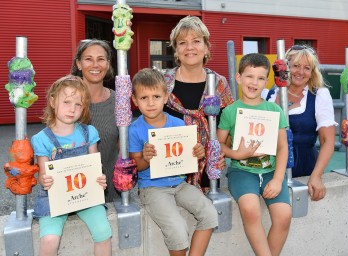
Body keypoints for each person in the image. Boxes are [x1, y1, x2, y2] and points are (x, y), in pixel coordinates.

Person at [129, 68, 218, 256]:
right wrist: (145, 158)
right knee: (177, 229)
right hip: (152, 187)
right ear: (135, 100)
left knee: (210, 215)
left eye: (156, 96)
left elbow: (189, 158)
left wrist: (197, 152)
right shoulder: (134, 130)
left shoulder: (178, 123)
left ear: (166, 97)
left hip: (179, 182)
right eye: (144, 98)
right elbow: (136, 167)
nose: (151, 103)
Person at [217, 53, 292, 256]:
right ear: (239, 78)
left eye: (260, 78)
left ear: (266, 81)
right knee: (250, 209)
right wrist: (236, 153)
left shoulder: (274, 110)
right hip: (242, 171)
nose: (254, 82)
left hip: (270, 171)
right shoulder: (230, 111)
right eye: (249, 76)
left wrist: (277, 179)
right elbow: (218, 145)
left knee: (284, 215)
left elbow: (282, 147)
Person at [31, 75, 112, 256]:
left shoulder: (89, 132)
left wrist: (99, 178)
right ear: (52, 101)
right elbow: (42, 177)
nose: (72, 109)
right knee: (50, 239)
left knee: (103, 232)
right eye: (67, 102)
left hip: (86, 194)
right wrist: (45, 180)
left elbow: (95, 165)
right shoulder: (41, 139)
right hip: (54, 197)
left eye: (78, 104)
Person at [163, 15, 234, 189]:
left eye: (196, 41)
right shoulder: (162, 83)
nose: (189, 48)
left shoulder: (218, 84)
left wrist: (222, 152)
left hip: (208, 169)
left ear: (206, 47)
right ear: (176, 50)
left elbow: (230, 127)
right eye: (182, 43)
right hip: (169, 169)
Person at [264, 45, 337, 201]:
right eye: (296, 66)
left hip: (303, 164)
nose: (300, 72)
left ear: (312, 72)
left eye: (307, 68)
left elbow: (327, 141)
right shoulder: (272, 93)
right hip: (271, 165)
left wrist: (316, 176)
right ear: (286, 67)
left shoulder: (319, 95)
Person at [71, 39, 120, 202]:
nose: (95, 65)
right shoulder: (66, 100)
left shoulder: (119, 100)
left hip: (112, 191)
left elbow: (123, 145)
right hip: (75, 192)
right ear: (78, 64)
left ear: (108, 64)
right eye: (88, 59)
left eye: (100, 59)